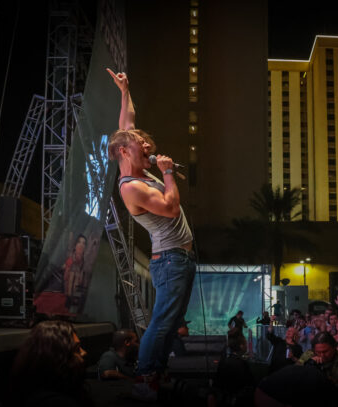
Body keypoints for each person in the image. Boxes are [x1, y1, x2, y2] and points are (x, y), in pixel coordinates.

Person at [107, 68, 195, 401]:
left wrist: (125, 90)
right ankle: (145, 377)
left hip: (180, 258)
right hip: (171, 259)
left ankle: (156, 374)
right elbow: (171, 208)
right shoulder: (132, 187)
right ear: (124, 153)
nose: (147, 145)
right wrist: (169, 173)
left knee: (172, 323)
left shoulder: (132, 161)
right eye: (140, 144)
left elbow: (126, 124)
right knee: (161, 322)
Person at [10, 320, 90, 407]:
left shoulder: (63, 389)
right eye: (77, 349)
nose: (84, 352)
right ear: (58, 357)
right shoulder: (55, 402)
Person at [297, 331, 338, 405]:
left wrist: (336, 383)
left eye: (326, 351)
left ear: (334, 347)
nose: (322, 355)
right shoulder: (308, 356)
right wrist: (309, 366)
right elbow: (295, 378)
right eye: (318, 352)